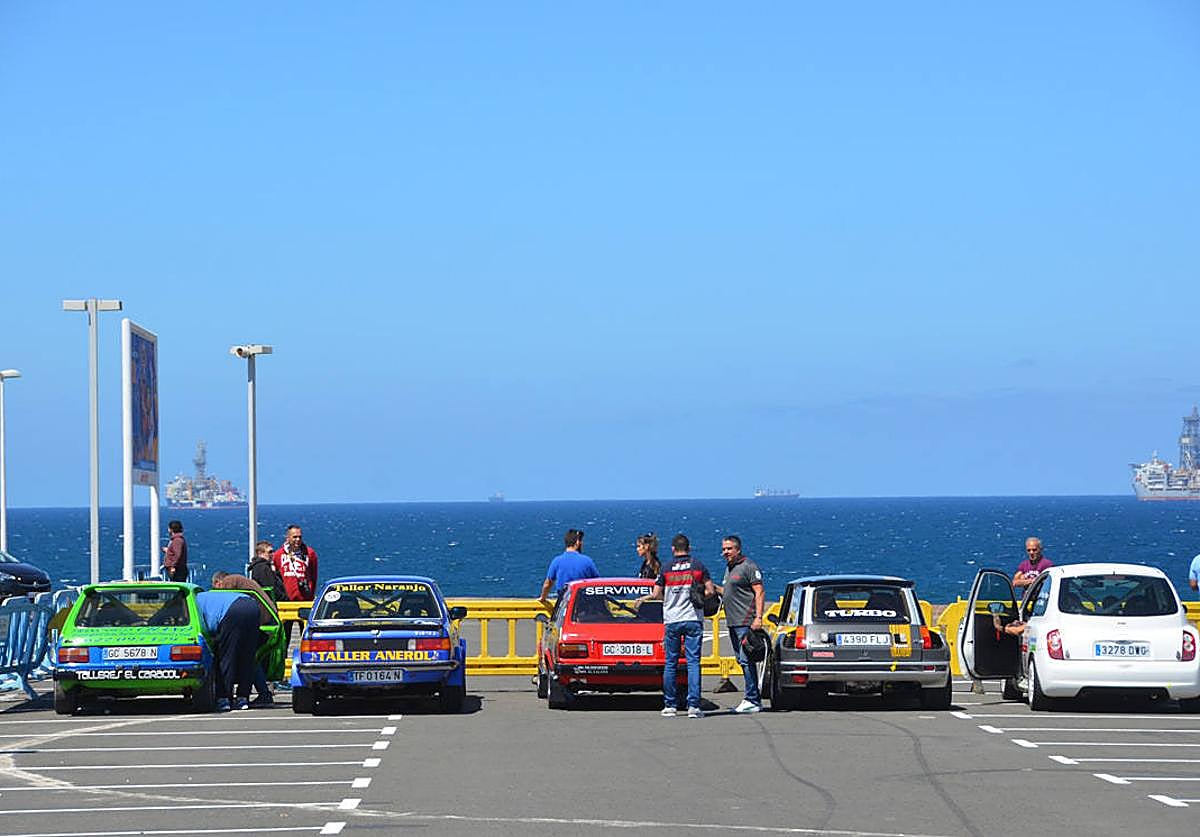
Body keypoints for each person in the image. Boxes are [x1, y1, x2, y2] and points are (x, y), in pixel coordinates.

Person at [639, 533, 714, 719]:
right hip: (692, 618)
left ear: (673, 549)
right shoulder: (697, 566)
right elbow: (710, 590)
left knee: (670, 664)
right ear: (689, 548)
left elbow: (656, 594)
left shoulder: (666, 568)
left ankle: (670, 705)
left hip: (672, 619)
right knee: (693, 662)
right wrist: (700, 597)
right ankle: (694, 706)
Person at [712, 535, 765, 713]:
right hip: (733, 622)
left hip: (745, 621)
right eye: (724, 549)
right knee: (741, 661)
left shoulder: (748, 566)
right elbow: (727, 591)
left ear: (738, 549)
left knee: (746, 659)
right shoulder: (730, 568)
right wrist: (712, 587)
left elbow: (759, 591)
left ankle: (752, 699)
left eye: (729, 549)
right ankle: (753, 698)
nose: (725, 552)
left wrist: (758, 618)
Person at [213, 570, 278, 707]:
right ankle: (260, 694)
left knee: (244, 658)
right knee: (250, 658)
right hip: (265, 620)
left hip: (260, 622)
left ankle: (228, 695)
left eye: (216, 588)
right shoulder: (242, 581)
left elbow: (227, 604)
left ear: (218, 582)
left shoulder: (229, 582)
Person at [195, 582, 263, 711]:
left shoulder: (192, 602)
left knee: (226, 658)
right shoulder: (205, 596)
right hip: (252, 605)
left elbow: (204, 631)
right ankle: (243, 698)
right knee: (247, 656)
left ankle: (224, 698)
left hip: (231, 611)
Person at [538, 529, 599, 604]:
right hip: (583, 606)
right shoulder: (587, 561)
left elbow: (547, 584)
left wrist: (543, 598)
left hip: (565, 605)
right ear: (577, 542)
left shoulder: (557, 561)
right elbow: (597, 584)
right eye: (581, 541)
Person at [272, 525, 319, 602]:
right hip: (285, 600)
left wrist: (311, 595)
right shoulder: (278, 555)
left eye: (300, 537)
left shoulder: (310, 553)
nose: (298, 539)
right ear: (288, 538)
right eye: (295, 537)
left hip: (304, 600)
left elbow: (313, 576)